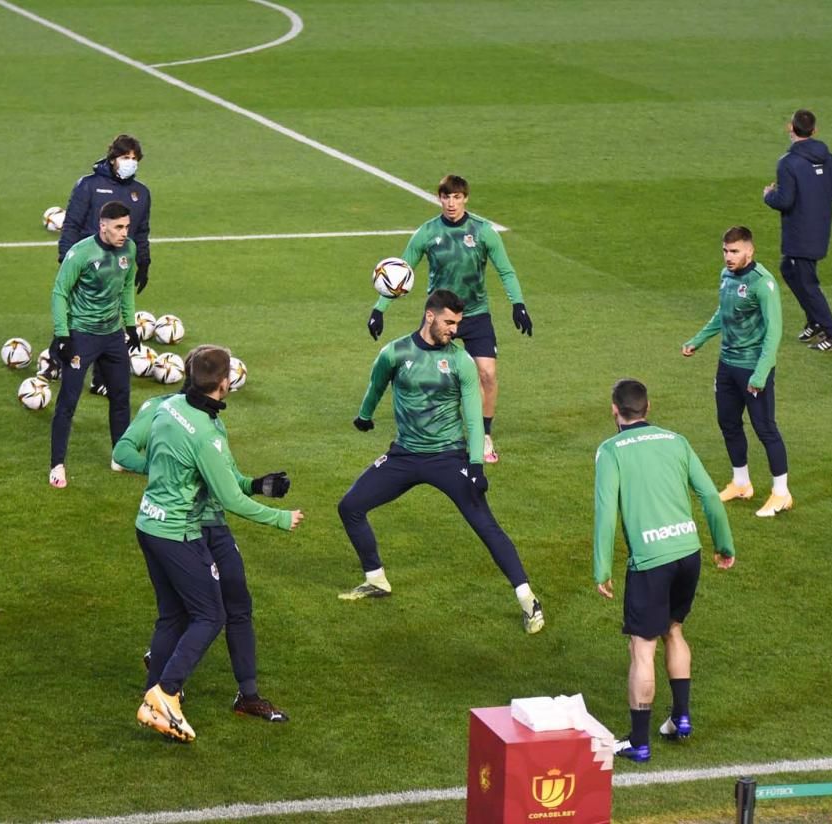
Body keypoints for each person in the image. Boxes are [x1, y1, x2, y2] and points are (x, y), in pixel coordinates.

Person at [341, 289, 544, 634]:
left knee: (485, 525)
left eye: (458, 323)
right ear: (430, 316)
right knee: (350, 506)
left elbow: (474, 416)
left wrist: (476, 466)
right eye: (449, 322)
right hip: (404, 455)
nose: (454, 329)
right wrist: (364, 416)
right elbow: (376, 386)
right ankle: (376, 579)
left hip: (449, 458)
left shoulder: (461, 360)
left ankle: (528, 601)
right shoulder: (395, 352)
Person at [128, 346, 303, 742]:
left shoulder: (169, 408)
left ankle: (178, 701)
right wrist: (280, 517)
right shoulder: (205, 432)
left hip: (153, 523)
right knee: (209, 613)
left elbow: (224, 480)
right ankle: (165, 692)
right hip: (183, 528)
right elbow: (228, 499)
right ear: (226, 383)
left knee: (188, 611)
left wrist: (256, 484)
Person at [593, 378, 735, 763]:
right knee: (674, 629)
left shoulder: (610, 451)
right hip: (688, 552)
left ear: (614, 409)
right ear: (648, 407)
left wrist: (601, 567)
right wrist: (724, 544)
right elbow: (708, 494)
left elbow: (606, 512)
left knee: (642, 647)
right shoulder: (676, 440)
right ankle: (680, 718)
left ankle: (639, 743)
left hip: (650, 561)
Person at [366, 175, 532, 464]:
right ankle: (432, 433)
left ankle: (485, 434)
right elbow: (399, 274)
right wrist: (379, 309)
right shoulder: (427, 233)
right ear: (439, 199)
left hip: (476, 313)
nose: (451, 203)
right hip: (441, 315)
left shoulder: (483, 231)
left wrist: (518, 304)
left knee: (488, 375)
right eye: (446, 197)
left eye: (456, 197)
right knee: (434, 374)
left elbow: (506, 271)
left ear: (465, 198)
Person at [682, 226, 791, 517]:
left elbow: (774, 332)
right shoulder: (726, 275)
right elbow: (723, 313)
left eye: (735, 251)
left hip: (754, 368)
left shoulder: (762, 283)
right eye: (726, 251)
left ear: (749, 251)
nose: (729, 257)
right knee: (728, 423)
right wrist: (698, 339)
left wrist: (760, 373)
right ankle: (741, 483)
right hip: (727, 366)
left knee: (765, 428)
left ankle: (781, 493)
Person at [44, 201, 141, 489]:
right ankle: (57, 465)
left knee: (121, 396)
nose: (124, 233)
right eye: (118, 227)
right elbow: (60, 293)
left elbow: (126, 288)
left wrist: (131, 325)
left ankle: (120, 456)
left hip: (112, 336)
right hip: (81, 335)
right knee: (68, 403)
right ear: (103, 226)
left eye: (127, 226)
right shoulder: (82, 253)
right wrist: (63, 335)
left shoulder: (130, 250)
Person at [59, 134, 152, 396]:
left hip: (119, 267)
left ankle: (100, 379)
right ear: (112, 159)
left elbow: (142, 231)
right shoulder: (88, 186)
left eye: (134, 159)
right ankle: (59, 359)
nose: (130, 163)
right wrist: (65, 258)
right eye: (125, 157)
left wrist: (143, 261)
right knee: (76, 315)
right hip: (86, 265)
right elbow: (71, 225)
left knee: (109, 320)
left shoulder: (141, 193)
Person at [763, 109, 832, 352]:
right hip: (820, 228)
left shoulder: (788, 162)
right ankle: (815, 321)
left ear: (791, 128)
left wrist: (769, 195)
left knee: (807, 282)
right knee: (787, 269)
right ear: (814, 130)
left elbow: (785, 200)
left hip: (800, 232)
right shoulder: (827, 157)